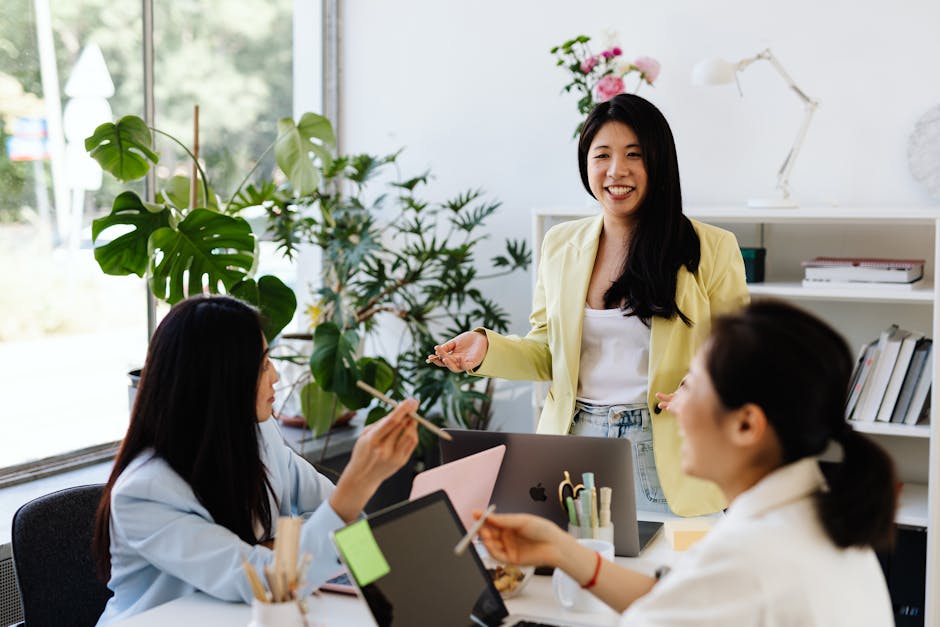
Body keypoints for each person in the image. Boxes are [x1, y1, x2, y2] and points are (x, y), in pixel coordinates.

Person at [477, 300, 897, 626]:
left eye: (691, 385)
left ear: (747, 424)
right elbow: (675, 599)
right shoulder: (818, 514)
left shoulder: (748, 560)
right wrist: (561, 549)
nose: (673, 408)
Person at [430, 93, 748, 516]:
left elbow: (741, 353)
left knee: (664, 575)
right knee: (567, 574)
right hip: (572, 445)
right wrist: (487, 351)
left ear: (659, 162)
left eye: (634, 155)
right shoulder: (560, 244)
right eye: (602, 155)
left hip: (666, 451)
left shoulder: (712, 247)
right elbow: (548, 354)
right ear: (586, 164)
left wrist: (699, 386)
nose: (617, 171)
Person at [93, 295, 419, 625]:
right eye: (263, 364)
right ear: (222, 381)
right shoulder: (145, 492)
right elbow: (266, 583)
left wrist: (385, 593)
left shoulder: (262, 437)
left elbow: (350, 529)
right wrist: (356, 485)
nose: (275, 376)